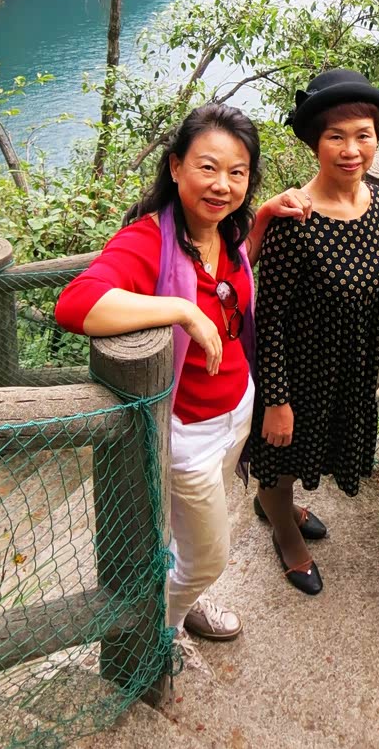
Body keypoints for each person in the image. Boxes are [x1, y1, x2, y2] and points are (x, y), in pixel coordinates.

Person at [55, 103, 310, 669]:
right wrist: (181, 309)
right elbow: (74, 303)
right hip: (188, 432)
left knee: (188, 536)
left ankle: (182, 595)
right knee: (211, 555)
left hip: (236, 411)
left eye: (237, 172)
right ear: (175, 167)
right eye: (207, 167)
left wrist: (264, 216)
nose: (222, 185)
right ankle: (155, 632)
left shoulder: (230, 231)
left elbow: (233, 278)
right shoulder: (149, 242)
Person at [248, 68, 379, 594]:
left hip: (349, 370)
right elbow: (269, 318)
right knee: (281, 461)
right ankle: (284, 532)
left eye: (363, 135)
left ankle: (279, 507)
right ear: (315, 144)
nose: (351, 150)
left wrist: (375, 373)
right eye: (336, 137)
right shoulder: (295, 220)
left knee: (310, 455)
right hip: (298, 373)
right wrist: (277, 401)